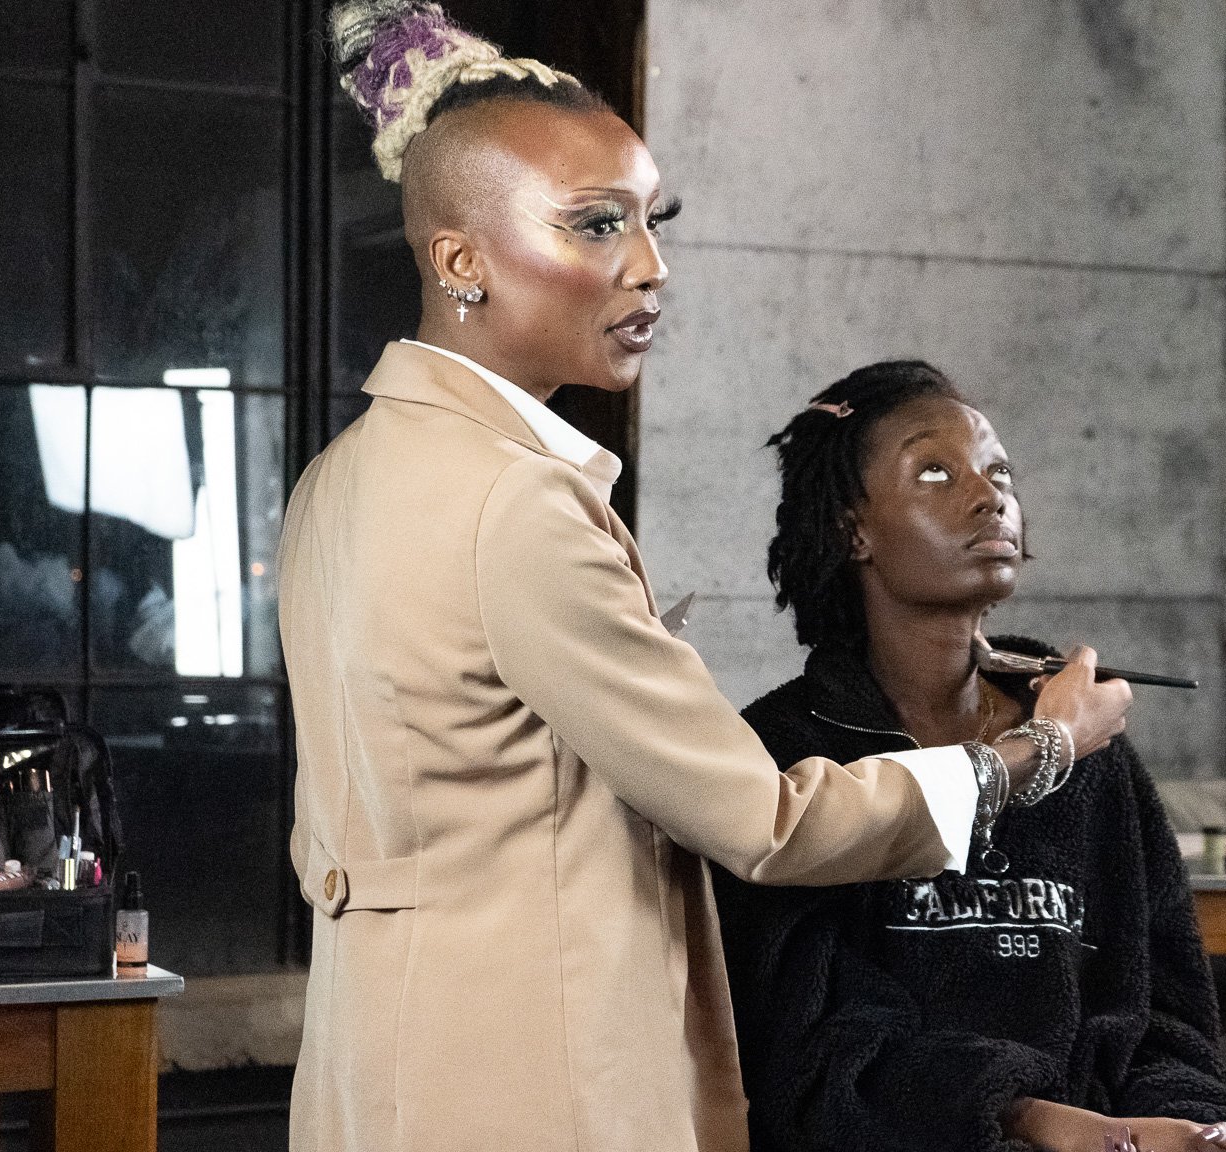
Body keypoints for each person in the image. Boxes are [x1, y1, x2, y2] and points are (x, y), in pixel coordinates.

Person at [276, 6, 1134, 1150]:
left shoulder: (336, 480)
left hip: (378, 1079)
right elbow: (770, 825)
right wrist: (1038, 754)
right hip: (537, 1093)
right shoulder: (517, 505)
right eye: (596, 225)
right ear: (459, 259)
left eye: (651, 221)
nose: (649, 267)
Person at [712, 361, 1226, 1152]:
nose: (988, 496)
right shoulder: (788, 754)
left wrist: (1189, 1126)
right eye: (934, 472)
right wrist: (1028, 1120)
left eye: (999, 471)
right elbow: (808, 1056)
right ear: (852, 529)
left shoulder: (1090, 751)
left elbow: (1164, 1018)